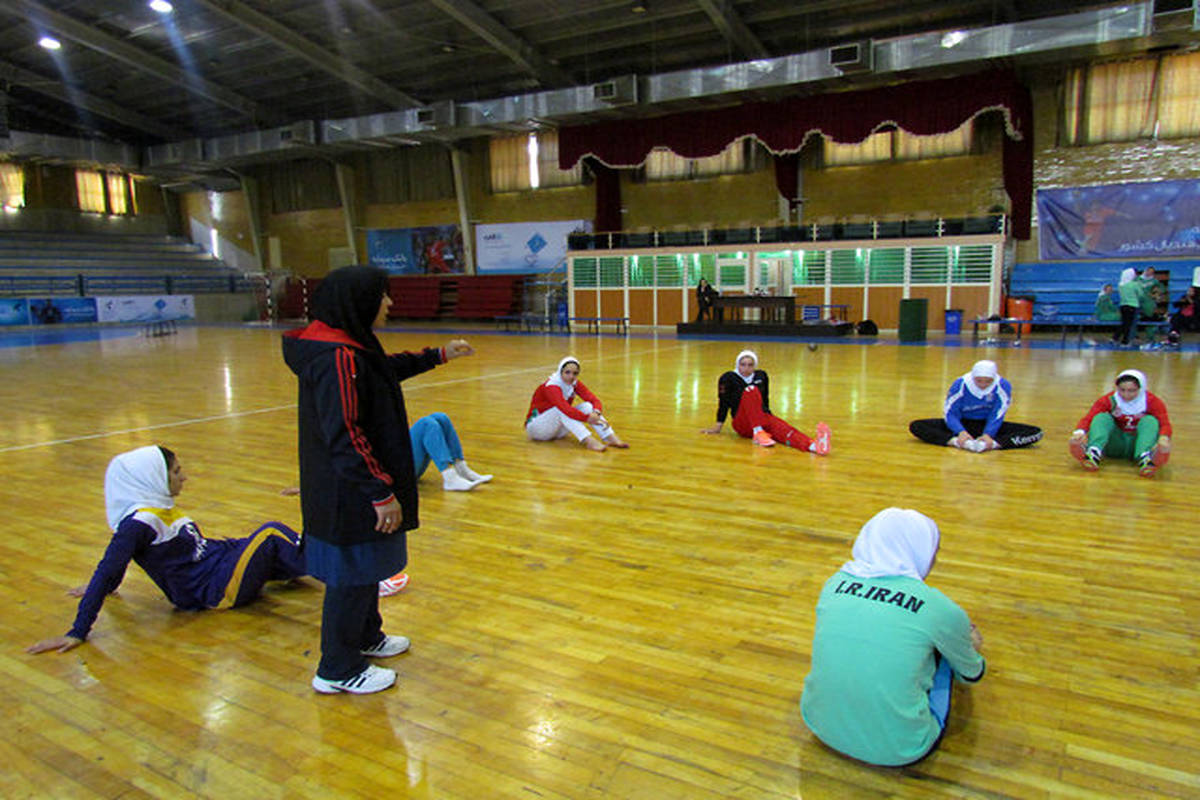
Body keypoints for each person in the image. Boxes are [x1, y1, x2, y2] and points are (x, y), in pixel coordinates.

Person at [282, 264, 475, 694]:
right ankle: (337, 668)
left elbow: (382, 370)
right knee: (350, 574)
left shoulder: (351, 346)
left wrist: (438, 355)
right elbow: (346, 434)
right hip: (348, 490)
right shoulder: (335, 357)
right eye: (382, 295)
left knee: (366, 566)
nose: (389, 302)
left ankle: (366, 635)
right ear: (359, 301)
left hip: (354, 485)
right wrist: (380, 492)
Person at [27, 445, 306, 655]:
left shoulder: (158, 507)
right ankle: (330, 566)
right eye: (175, 472)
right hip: (213, 590)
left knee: (274, 548)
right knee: (271, 533)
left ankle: (320, 562)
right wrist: (78, 631)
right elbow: (109, 568)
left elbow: (196, 549)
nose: (184, 477)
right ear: (153, 477)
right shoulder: (138, 524)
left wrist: (109, 586)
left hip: (219, 564)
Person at [800, 508, 985, 767]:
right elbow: (972, 673)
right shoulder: (940, 608)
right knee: (941, 655)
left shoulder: (833, 584)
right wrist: (969, 644)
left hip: (819, 725)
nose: (934, 558)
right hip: (903, 748)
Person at [700, 349, 831, 454]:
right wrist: (718, 426)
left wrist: (770, 419)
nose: (746, 368)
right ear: (737, 365)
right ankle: (758, 432)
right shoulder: (728, 378)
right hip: (742, 422)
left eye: (750, 365)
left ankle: (814, 446)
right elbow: (723, 402)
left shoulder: (761, 376)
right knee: (751, 390)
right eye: (743, 364)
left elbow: (765, 398)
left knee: (785, 429)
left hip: (761, 416)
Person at [908, 360, 1043, 451]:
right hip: (962, 423)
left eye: (988, 381)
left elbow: (998, 413)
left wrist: (989, 434)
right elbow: (950, 412)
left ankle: (992, 444)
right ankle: (958, 442)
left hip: (987, 424)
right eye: (979, 381)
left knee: (1036, 432)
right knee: (917, 426)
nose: (983, 385)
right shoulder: (961, 384)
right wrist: (960, 431)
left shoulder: (1002, 385)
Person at [1069, 369, 1172, 477]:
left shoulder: (1152, 402)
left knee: (1150, 421)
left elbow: (1164, 423)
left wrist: (1164, 438)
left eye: (1132, 391)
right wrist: (1079, 432)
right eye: (1122, 390)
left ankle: (1146, 457)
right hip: (1114, 444)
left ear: (1141, 389)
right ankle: (1093, 452)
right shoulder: (1109, 400)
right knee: (1101, 417)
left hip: (1137, 444)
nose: (1126, 395)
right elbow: (1089, 417)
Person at [526, 356, 628, 451]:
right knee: (561, 410)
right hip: (537, 428)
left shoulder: (574, 383)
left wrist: (596, 413)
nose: (571, 376)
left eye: (575, 373)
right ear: (560, 371)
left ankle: (609, 437)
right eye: (567, 372)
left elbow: (594, 400)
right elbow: (565, 409)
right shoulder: (551, 386)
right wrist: (587, 418)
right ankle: (588, 441)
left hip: (556, 431)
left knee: (587, 406)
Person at [1113, 268, 1143, 345]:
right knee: (1129, 325)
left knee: (1123, 323)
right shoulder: (1135, 284)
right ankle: (1125, 341)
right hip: (1133, 305)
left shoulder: (1121, 285)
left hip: (1123, 305)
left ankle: (1115, 337)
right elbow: (1141, 294)